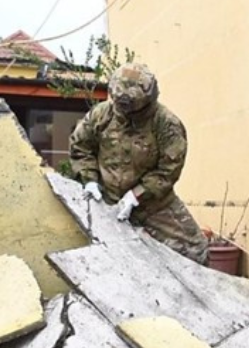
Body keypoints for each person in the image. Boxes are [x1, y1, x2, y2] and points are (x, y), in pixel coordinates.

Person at [69, 62, 209, 265]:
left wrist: (136, 196)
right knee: (104, 256)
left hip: (155, 205)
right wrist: (89, 180)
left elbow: (168, 170)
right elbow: (81, 147)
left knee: (196, 251)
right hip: (108, 201)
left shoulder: (166, 124)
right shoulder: (101, 115)